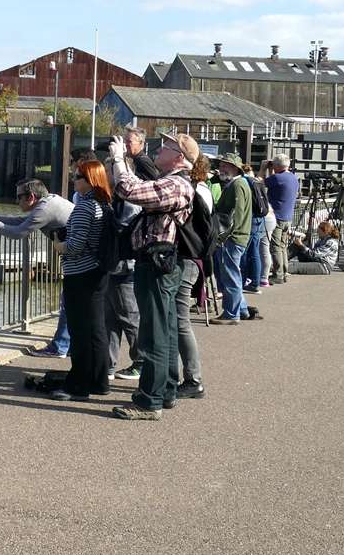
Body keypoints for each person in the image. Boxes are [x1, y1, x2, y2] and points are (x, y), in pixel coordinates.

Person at [103, 133, 199, 421]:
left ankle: (149, 400)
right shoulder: (172, 182)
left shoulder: (176, 184)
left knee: (153, 333)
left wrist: (119, 159)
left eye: (167, 147)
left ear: (180, 158)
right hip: (162, 263)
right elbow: (138, 187)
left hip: (158, 264)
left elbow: (130, 190)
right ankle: (166, 391)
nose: (159, 149)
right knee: (166, 329)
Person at [45, 160, 110, 400]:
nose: (74, 180)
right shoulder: (104, 204)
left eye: (78, 177)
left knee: (79, 330)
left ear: (90, 180)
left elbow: (75, 246)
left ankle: (79, 384)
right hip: (97, 272)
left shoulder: (85, 207)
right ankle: (99, 381)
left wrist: (58, 246)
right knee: (96, 329)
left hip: (80, 274)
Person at [0, 179, 74, 357]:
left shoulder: (44, 209)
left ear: (32, 197)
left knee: (69, 302)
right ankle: (70, 345)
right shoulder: (48, 202)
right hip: (78, 256)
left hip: (79, 258)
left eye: (19, 197)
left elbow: (19, 232)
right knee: (72, 303)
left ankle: (60, 347)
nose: (16, 201)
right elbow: (22, 221)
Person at [174, 154, 211, 399]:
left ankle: (193, 378)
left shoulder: (192, 190)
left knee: (180, 320)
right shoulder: (204, 189)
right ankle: (190, 376)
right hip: (196, 258)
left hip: (187, 258)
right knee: (180, 320)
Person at [102, 191, 143, 381]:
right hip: (113, 267)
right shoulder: (116, 201)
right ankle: (108, 365)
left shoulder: (129, 203)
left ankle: (141, 362)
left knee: (129, 317)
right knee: (110, 319)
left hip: (125, 268)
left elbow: (126, 231)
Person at [212, 153, 252, 324]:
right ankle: (241, 309)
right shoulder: (237, 184)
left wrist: (223, 237)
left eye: (226, 165)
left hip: (233, 238)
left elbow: (236, 215)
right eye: (221, 164)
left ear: (235, 168)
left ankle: (231, 313)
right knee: (232, 274)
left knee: (230, 276)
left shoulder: (237, 185)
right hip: (236, 237)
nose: (221, 167)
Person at [264, 155, 300, 285]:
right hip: (288, 217)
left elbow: (259, 183)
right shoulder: (293, 178)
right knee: (283, 246)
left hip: (277, 217)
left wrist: (263, 169)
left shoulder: (277, 178)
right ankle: (284, 272)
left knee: (275, 246)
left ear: (277, 166)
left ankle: (278, 274)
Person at [241, 163, 268, 293]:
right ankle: (255, 282)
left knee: (245, 252)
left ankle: (242, 280)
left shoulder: (244, 181)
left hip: (250, 219)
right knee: (255, 251)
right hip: (260, 218)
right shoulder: (257, 181)